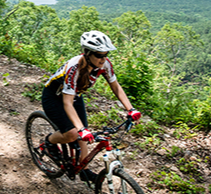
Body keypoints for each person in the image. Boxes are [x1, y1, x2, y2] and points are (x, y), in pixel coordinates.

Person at [40, 30, 142, 185]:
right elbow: (67, 103)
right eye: (99, 55)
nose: (103, 59)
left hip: (75, 96)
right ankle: (48, 143)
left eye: (106, 54)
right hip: (54, 97)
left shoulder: (105, 65)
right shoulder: (74, 67)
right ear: (87, 53)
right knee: (73, 134)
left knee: (84, 137)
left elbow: (115, 87)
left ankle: (83, 169)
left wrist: (131, 109)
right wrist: (80, 129)